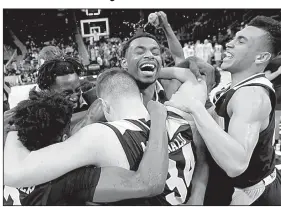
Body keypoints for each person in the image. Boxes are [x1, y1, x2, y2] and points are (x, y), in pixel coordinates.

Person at [5, 68, 208, 205]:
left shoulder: (99, 137)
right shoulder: (183, 118)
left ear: (104, 105)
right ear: (139, 97)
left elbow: (14, 173)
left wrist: (13, 128)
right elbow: (194, 78)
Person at [165, 15, 281, 205]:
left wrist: (195, 107)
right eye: (234, 38)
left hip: (253, 196)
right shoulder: (236, 86)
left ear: (261, 57)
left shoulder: (251, 95)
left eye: (241, 41)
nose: (229, 44)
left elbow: (236, 164)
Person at [4, 90, 168, 205]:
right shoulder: (69, 180)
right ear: (64, 138)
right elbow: (147, 183)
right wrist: (159, 116)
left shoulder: (8, 150)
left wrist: (14, 127)